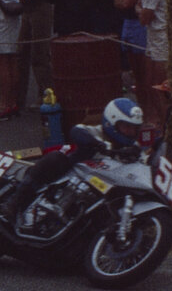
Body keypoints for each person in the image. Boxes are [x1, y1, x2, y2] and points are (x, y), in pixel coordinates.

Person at [8, 97, 148, 231]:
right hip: (71, 176)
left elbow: (142, 164)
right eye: (126, 127)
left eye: (134, 128)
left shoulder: (134, 148)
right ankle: (15, 203)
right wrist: (98, 144)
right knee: (55, 158)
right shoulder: (97, 132)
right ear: (111, 123)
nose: (131, 132)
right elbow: (77, 131)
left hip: (102, 189)